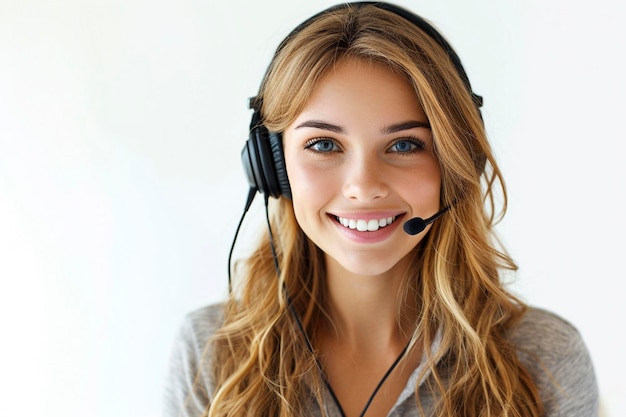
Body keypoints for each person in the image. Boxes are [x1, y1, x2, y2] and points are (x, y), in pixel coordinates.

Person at [164, 2, 599, 416]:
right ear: (272, 165)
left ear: (456, 161)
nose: (363, 187)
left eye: (405, 145)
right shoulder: (212, 352)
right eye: (323, 144)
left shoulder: (543, 358)